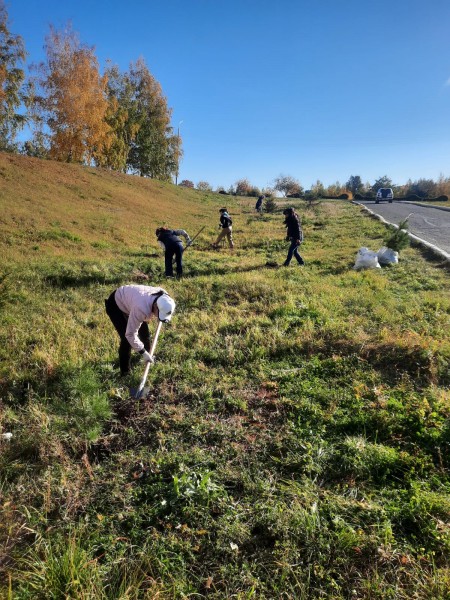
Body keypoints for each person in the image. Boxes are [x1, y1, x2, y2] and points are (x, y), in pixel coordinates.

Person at [105, 285, 175, 376]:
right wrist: (142, 352)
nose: (158, 317)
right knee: (126, 340)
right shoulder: (141, 308)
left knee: (145, 334)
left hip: (133, 300)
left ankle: (149, 354)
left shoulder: (164, 296)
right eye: (159, 314)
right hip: (116, 304)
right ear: (156, 306)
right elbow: (130, 334)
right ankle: (125, 373)